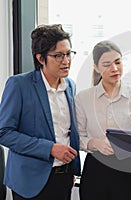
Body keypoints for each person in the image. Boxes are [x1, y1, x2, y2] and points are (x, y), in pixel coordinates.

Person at [0, 24, 81, 199]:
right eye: (58, 55)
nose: (66, 60)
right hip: (29, 182)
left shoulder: (70, 87)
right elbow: (4, 132)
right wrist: (50, 148)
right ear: (41, 58)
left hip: (64, 177)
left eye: (68, 54)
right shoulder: (19, 85)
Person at [74, 40, 131, 200]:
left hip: (127, 169)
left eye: (118, 62)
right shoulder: (83, 98)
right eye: (106, 64)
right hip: (95, 169)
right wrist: (95, 143)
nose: (114, 69)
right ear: (96, 67)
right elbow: (77, 137)